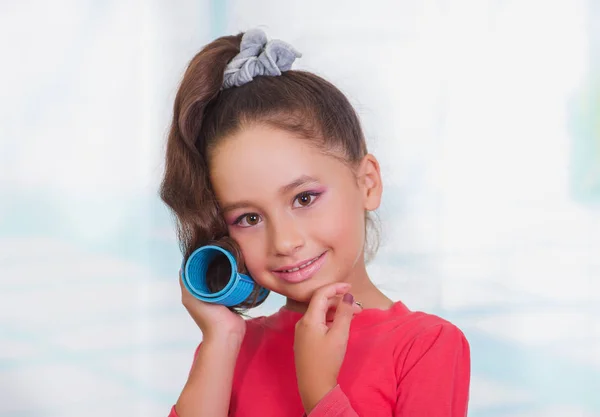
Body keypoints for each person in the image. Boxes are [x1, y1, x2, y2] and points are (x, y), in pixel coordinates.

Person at [160, 28, 471, 417]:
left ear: (367, 183)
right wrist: (220, 339)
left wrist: (321, 391)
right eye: (249, 218)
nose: (285, 241)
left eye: (304, 198)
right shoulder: (234, 346)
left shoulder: (425, 345)